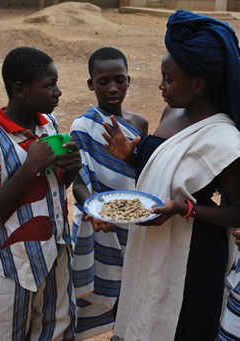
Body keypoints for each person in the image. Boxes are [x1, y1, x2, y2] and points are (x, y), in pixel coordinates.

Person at [101, 10, 240, 341]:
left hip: (194, 256)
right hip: (153, 240)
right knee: (145, 314)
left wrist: (183, 209)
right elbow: (169, 172)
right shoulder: (171, 112)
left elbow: (237, 212)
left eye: (169, 79)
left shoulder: (225, 139)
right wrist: (133, 156)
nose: (161, 86)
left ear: (198, 84)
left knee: (178, 326)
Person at [0, 46, 81, 340]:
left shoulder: (48, 125)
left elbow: (52, 191)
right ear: (20, 90)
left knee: (55, 330)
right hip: (11, 267)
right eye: (49, 85)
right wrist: (30, 167)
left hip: (54, 254)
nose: (58, 92)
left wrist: (72, 169)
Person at [69, 47, 148, 340]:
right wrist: (91, 207)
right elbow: (79, 180)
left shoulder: (139, 124)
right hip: (96, 222)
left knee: (130, 287)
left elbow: (142, 175)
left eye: (119, 79)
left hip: (132, 220)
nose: (113, 88)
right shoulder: (81, 126)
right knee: (102, 285)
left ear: (129, 80)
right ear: (91, 84)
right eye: (103, 81)